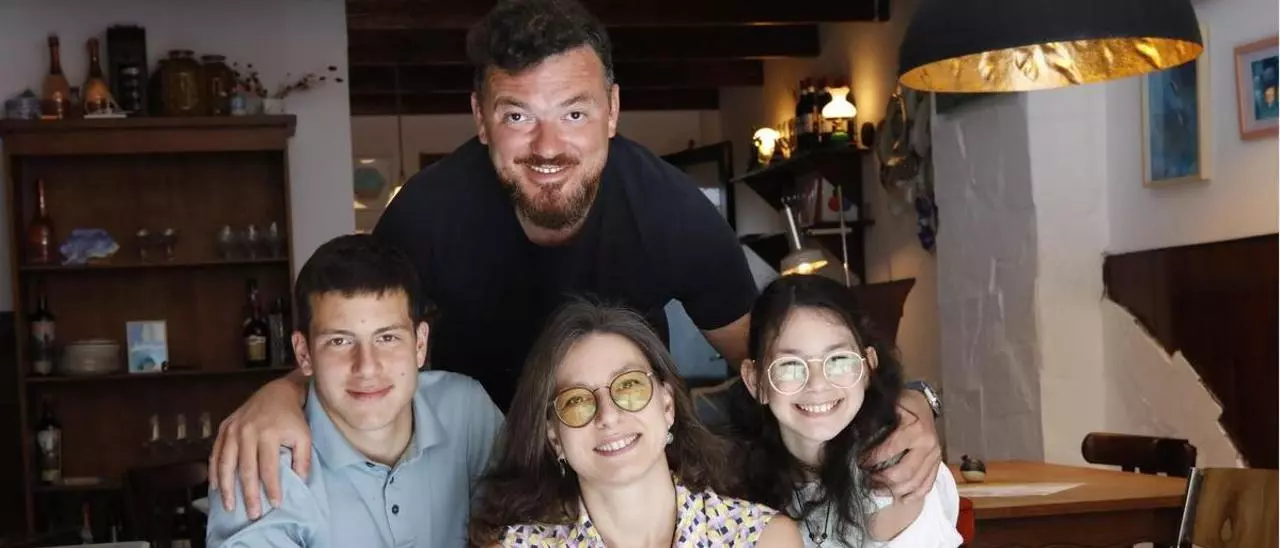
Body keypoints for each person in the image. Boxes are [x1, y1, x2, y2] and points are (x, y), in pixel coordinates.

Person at [208, 0, 943, 520]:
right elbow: (360, 342)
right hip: (480, 486)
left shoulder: (666, 208)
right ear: (480, 119)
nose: (548, 147)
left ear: (613, 111)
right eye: (517, 115)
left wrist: (902, 400)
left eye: (575, 112)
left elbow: (778, 359)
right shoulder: (425, 219)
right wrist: (281, 393)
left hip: (627, 475)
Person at [205, 234, 504, 546]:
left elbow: (525, 515)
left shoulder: (466, 411)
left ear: (420, 344)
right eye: (339, 341)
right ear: (304, 353)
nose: (367, 367)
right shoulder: (262, 461)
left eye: (387, 338)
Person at [468, 299, 801, 547]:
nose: (608, 416)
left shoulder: (763, 539)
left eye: (629, 386)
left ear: (667, 405)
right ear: (554, 437)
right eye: (576, 401)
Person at [738, 276, 962, 546]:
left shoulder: (896, 465)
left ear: (868, 368)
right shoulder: (738, 483)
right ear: (755, 381)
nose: (817, 384)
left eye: (839, 360)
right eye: (790, 365)